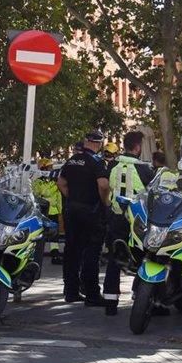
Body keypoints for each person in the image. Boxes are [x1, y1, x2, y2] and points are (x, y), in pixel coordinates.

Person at [102, 130, 155, 316]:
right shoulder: (143, 169)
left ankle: (110, 302)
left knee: (115, 259)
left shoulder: (112, 165)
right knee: (144, 258)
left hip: (116, 217)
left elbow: (104, 186)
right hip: (138, 222)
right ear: (138, 147)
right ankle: (138, 296)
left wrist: (107, 205)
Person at [57, 131, 111, 307]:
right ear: (99, 144)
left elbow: (61, 183)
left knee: (71, 251)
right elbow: (103, 184)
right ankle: (92, 294)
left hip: (71, 210)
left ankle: (71, 292)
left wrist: (73, 198)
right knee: (91, 252)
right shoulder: (96, 161)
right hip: (91, 211)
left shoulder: (71, 160)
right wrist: (105, 202)